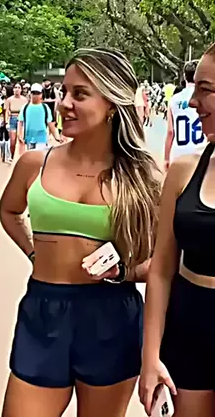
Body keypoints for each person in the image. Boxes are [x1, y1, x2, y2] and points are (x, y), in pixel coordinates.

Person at [0, 48, 161, 417]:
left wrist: (122, 272)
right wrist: (34, 253)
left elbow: (161, 263)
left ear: (112, 104)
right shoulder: (34, 163)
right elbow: (9, 211)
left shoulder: (143, 179)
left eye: (80, 94)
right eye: (64, 92)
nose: (64, 104)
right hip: (42, 312)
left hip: (111, 317)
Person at [140, 42, 215, 416]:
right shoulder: (185, 171)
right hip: (187, 329)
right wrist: (150, 356)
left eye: (206, 89)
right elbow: (160, 269)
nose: (193, 101)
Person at [164, 60, 206, 171]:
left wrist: (166, 158)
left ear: (184, 76)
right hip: (201, 152)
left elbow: (170, 132)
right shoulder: (206, 98)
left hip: (179, 154)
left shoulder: (174, 100)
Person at [18, 83, 59, 152]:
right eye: (33, 93)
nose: (35, 95)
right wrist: (19, 135)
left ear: (41, 94)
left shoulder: (45, 107)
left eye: (37, 93)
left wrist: (56, 137)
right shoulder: (25, 107)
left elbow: (50, 124)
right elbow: (20, 122)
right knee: (31, 157)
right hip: (29, 139)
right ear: (30, 94)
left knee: (40, 156)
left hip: (41, 139)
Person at [4, 82, 28, 160]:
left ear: (21, 89)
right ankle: (12, 155)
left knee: (21, 140)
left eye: (19, 87)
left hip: (22, 120)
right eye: (15, 87)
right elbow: (7, 111)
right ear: (13, 89)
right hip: (13, 119)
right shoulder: (9, 99)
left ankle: (21, 157)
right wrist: (6, 122)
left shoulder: (25, 100)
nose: (17, 89)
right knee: (13, 141)